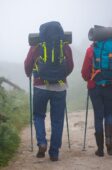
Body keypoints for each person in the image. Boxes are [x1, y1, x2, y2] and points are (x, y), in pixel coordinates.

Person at [24, 21, 74, 161]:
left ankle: (42, 142)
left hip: (40, 86)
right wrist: (61, 76)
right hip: (60, 87)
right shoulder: (64, 45)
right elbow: (70, 66)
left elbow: (27, 64)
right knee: (57, 120)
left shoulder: (36, 45)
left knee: (39, 116)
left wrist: (30, 74)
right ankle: (54, 153)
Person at [81, 39, 112, 157]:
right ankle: (109, 141)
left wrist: (88, 78)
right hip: (111, 85)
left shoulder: (91, 50)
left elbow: (84, 72)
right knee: (109, 114)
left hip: (95, 87)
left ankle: (100, 149)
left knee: (98, 116)